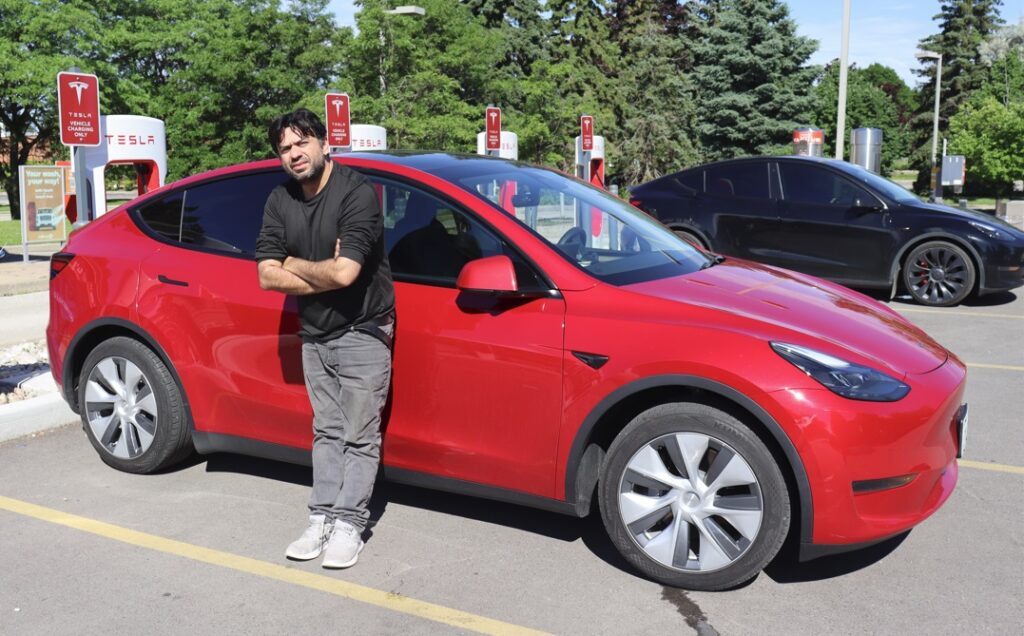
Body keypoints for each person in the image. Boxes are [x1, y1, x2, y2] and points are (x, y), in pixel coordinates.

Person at [255, 108, 395, 569]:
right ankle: (321, 517)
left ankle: (350, 524)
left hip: (362, 331)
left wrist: (292, 262)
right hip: (314, 334)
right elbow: (266, 276)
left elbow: (348, 272)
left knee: (359, 434)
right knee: (326, 431)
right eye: (285, 149)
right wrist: (318, 272)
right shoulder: (280, 199)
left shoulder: (357, 194)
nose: (295, 154)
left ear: (324, 144)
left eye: (302, 143)